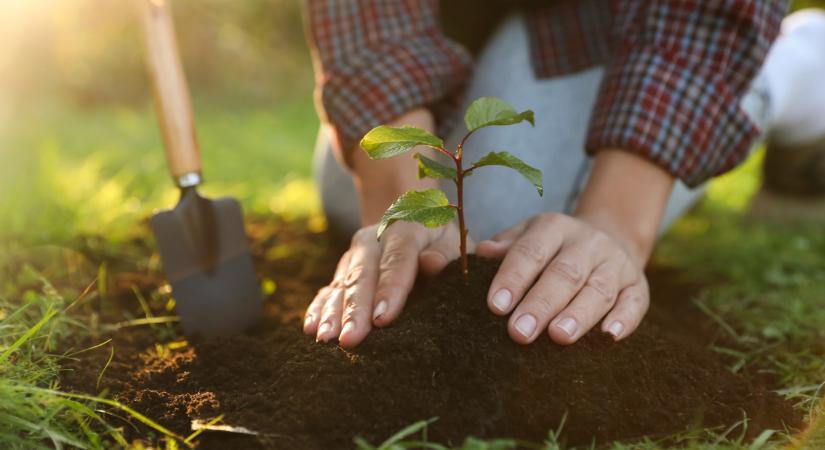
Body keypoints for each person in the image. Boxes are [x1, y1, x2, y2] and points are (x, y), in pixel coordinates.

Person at [301, 1, 825, 349]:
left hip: (608, 21)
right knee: (352, 199)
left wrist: (617, 222)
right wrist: (402, 205)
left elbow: (703, 15)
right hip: (451, 21)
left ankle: (792, 64)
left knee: (502, 221)